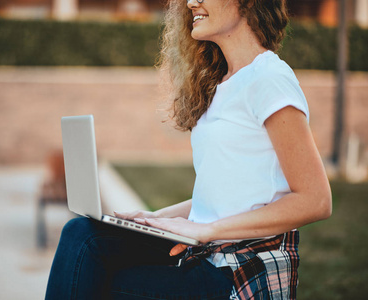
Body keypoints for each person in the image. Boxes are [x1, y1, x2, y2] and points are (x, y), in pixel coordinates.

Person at [45, 0, 332, 299]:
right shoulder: (222, 83)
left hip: (241, 269)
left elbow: (316, 200)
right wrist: (152, 218)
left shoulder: (269, 79)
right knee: (82, 235)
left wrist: (208, 231)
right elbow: (225, 196)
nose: (191, 2)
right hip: (206, 252)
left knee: (101, 281)